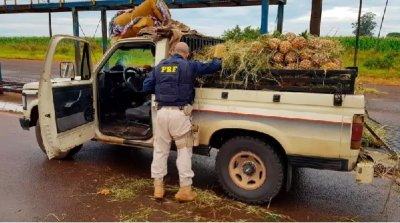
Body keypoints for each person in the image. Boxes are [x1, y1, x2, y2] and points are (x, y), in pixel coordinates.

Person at [142, 42, 222, 202]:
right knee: (184, 151)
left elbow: (146, 87)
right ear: (186, 53)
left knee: (160, 150)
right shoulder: (189, 65)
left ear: (172, 52)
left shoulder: (159, 66)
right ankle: (185, 190)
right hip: (180, 114)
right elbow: (213, 66)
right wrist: (218, 57)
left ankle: (158, 187)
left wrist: (162, 90)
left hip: (162, 113)